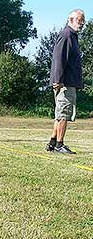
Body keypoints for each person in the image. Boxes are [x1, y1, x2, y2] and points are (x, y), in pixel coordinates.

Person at [45, 9, 85, 154]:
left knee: (60, 113)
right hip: (64, 83)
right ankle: (59, 145)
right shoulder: (67, 35)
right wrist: (58, 80)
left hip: (68, 82)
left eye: (83, 21)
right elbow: (59, 59)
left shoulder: (72, 36)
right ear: (71, 19)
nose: (82, 24)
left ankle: (52, 142)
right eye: (80, 20)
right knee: (63, 114)